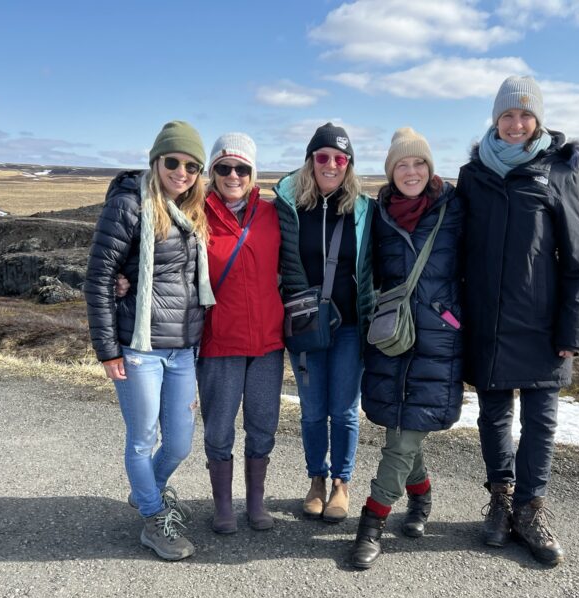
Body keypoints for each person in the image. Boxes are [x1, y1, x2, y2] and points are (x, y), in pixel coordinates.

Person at [456, 76, 579, 565]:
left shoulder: (557, 172)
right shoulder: (473, 175)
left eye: (525, 115)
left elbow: (578, 260)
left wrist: (572, 329)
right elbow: (458, 249)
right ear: (495, 120)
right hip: (487, 320)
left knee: (541, 421)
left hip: (541, 323)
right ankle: (500, 501)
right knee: (493, 416)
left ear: (538, 120)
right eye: (507, 115)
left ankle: (531, 509)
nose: (515, 124)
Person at [84, 120, 213, 561]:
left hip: (182, 347)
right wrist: (107, 350)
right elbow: (99, 279)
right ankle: (155, 520)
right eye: (173, 162)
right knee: (142, 438)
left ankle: (147, 494)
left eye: (192, 165)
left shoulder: (193, 213)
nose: (182, 172)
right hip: (139, 349)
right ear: (155, 161)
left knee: (178, 441)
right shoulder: (129, 207)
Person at [350, 128, 464, 569]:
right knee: (401, 423)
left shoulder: (454, 209)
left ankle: (371, 523)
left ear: (430, 169)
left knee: (401, 440)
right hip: (391, 334)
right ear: (390, 171)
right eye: (402, 164)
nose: (411, 171)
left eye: (419, 163)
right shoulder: (378, 214)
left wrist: (456, 320)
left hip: (438, 336)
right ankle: (421, 497)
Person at [273, 123, 374, 523]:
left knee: (345, 410)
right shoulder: (290, 208)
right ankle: (316, 480)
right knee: (313, 410)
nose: (331, 164)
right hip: (305, 326)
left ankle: (341, 484)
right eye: (323, 157)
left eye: (340, 158)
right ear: (310, 162)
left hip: (350, 326)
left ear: (348, 165)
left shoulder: (365, 210)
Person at [197, 133, 284, 533]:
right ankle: (223, 507)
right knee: (219, 426)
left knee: (263, 422)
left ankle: (255, 502)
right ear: (212, 171)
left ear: (254, 173)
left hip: (268, 339)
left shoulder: (273, 214)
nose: (233, 175)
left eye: (242, 168)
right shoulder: (195, 214)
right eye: (224, 167)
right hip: (220, 340)